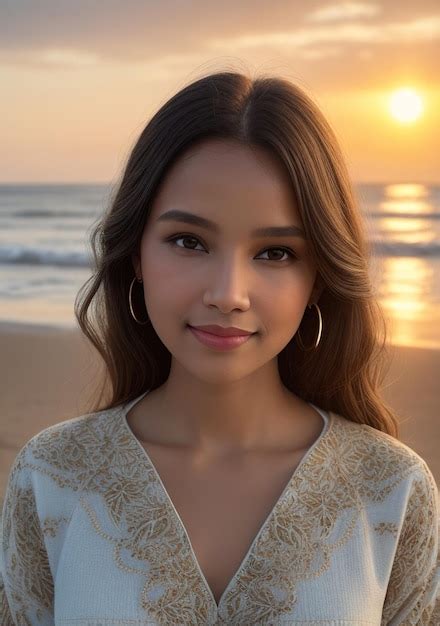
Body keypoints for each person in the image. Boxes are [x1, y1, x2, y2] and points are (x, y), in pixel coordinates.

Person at [1, 70, 438, 625]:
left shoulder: (391, 491)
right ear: (136, 253)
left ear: (318, 278)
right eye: (189, 242)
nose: (228, 294)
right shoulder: (52, 477)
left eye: (275, 252)